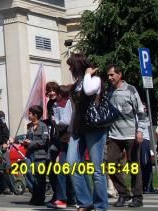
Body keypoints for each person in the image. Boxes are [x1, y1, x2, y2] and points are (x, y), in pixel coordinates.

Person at [65, 53, 108, 211]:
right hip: (77, 129)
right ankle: (85, 201)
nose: (69, 68)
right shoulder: (76, 84)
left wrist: (88, 73)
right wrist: (71, 129)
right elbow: (75, 110)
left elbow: (89, 91)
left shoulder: (94, 79)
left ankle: (101, 206)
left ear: (79, 65)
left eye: (71, 65)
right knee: (71, 164)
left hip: (94, 128)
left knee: (97, 170)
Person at [106, 64, 147, 208]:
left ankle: (137, 197)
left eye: (112, 75)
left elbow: (141, 111)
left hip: (131, 134)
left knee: (134, 166)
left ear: (119, 75)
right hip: (113, 135)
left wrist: (140, 130)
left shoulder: (131, 90)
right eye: (108, 75)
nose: (109, 78)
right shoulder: (109, 92)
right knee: (110, 164)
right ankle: (123, 194)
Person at [48, 84, 76, 209]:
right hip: (64, 140)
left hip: (68, 139)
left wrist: (55, 122)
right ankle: (67, 197)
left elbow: (65, 122)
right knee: (66, 169)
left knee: (65, 169)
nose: (55, 95)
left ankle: (63, 198)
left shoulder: (66, 104)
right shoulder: (58, 104)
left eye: (57, 93)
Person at [24, 105, 49, 206]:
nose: (29, 115)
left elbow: (44, 141)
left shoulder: (43, 126)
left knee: (39, 177)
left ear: (35, 115)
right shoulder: (29, 126)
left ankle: (40, 198)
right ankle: (34, 194)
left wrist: (32, 143)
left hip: (40, 155)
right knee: (29, 174)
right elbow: (27, 138)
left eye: (30, 113)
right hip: (30, 155)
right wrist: (25, 142)